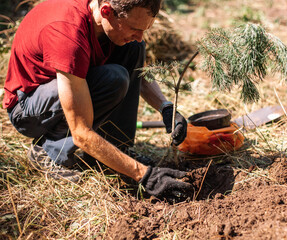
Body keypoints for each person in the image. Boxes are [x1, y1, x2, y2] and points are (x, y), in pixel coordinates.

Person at [3, 0, 191, 197]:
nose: (140, 35)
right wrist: (145, 175)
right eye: (135, 28)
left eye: (145, 29)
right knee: (113, 79)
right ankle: (49, 151)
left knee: (134, 47)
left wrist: (166, 108)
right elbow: (81, 131)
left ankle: (117, 147)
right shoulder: (68, 32)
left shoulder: (104, 22)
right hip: (28, 108)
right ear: (106, 11)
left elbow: (138, 75)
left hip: (69, 83)